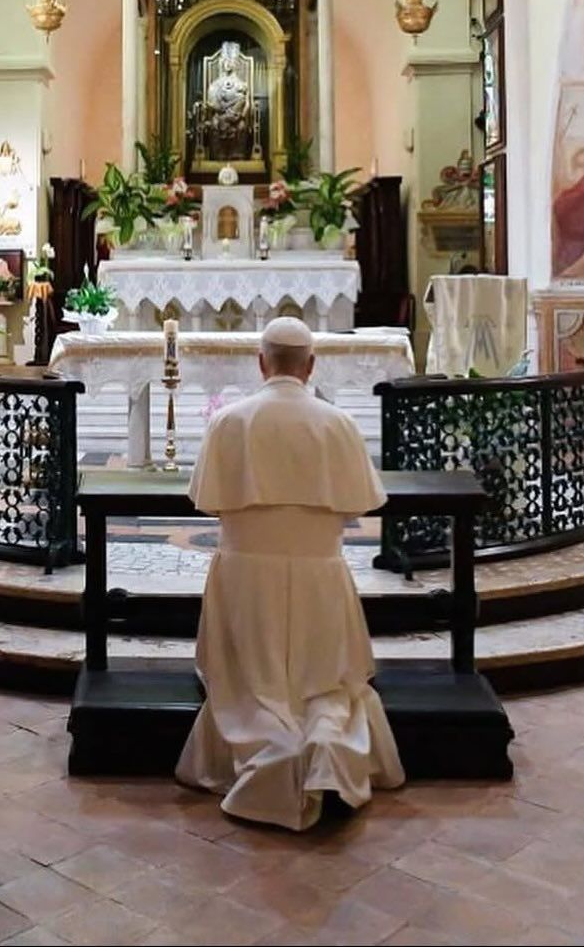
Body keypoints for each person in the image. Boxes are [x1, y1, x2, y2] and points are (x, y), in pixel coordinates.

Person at [176, 316, 404, 830]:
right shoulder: (337, 423)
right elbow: (362, 501)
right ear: (311, 365)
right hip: (319, 576)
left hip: (244, 579)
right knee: (323, 684)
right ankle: (328, 747)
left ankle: (273, 753)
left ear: (261, 363)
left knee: (250, 687)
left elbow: (206, 500)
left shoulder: (230, 422)